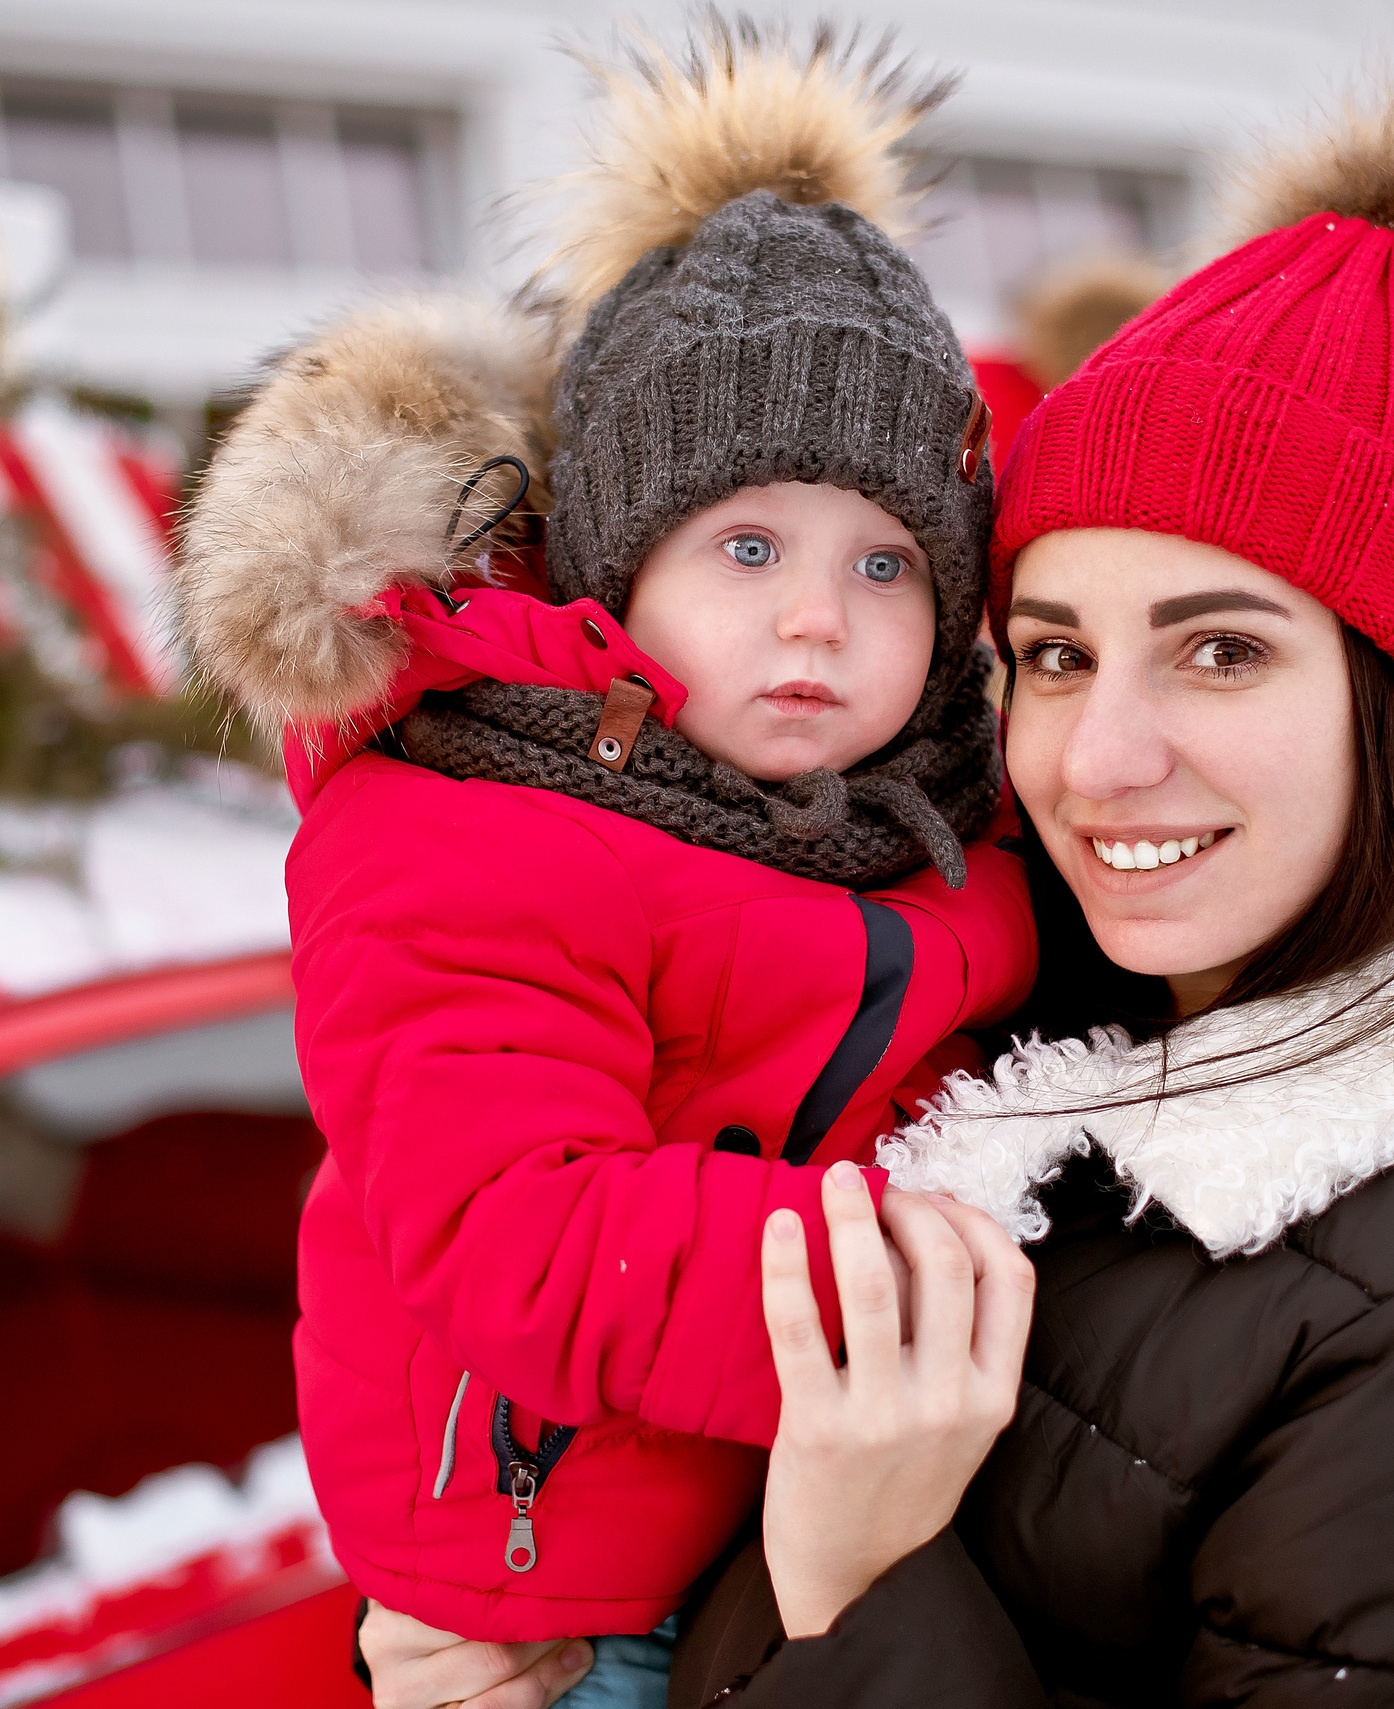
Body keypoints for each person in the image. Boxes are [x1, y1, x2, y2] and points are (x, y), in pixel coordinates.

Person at [365, 95, 1394, 1709]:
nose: (1100, 759)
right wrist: (470, 1638)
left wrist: (857, 1586)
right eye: (1055, 653)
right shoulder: (1018, 1033)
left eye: (1222, 648)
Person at [173, 20, 1033, 1709]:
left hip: (788, 1539)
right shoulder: (466, 822)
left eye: (884, 563)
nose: (816, 615)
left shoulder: (935, 824)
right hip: (559, 1606)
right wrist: (929, 1284)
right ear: (619, 564)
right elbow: (520, 1230)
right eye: (751, 545)